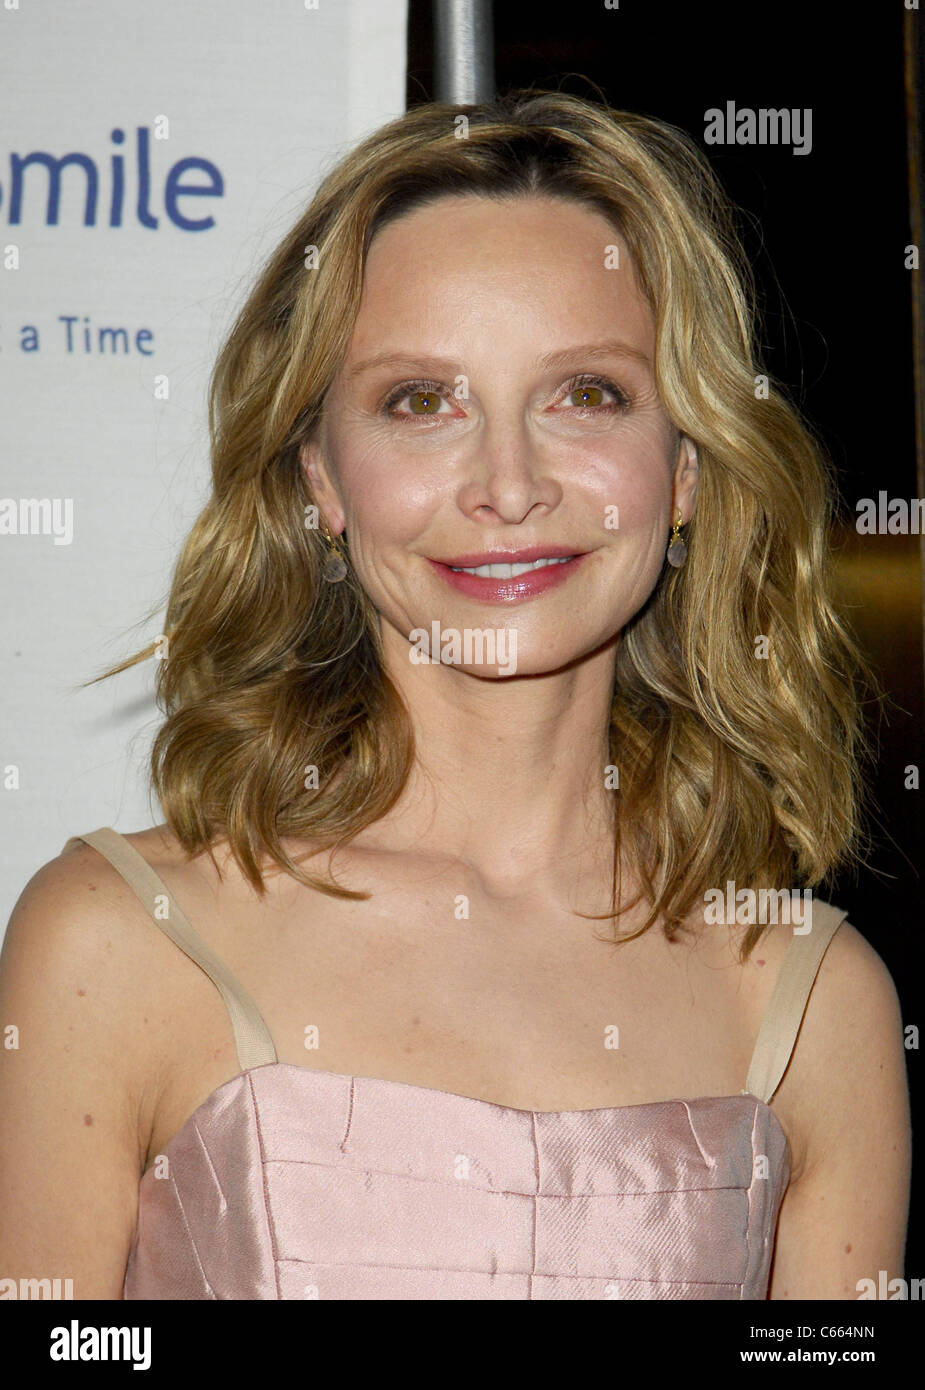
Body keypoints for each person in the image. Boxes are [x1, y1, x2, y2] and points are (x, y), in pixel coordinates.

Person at [0, 90, 910, 1300]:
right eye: (421, 401)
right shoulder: (112, 944)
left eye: (585, 392)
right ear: (321, 475)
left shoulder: (807, 1002)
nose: (507, 483)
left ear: (685, 466)